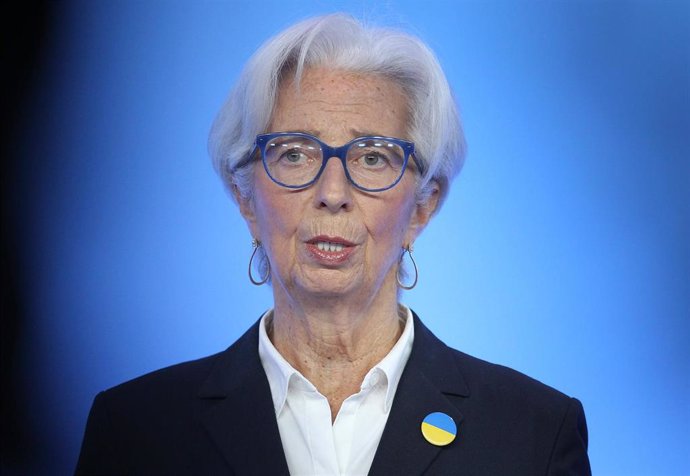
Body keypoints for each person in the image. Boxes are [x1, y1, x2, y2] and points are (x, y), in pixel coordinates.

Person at [75, 13, 591, 475]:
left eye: (372, 158)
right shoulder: (136, 431)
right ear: (246, 198)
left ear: (423, 206)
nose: (332, 194)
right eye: (295, 154)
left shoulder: (533, 435)